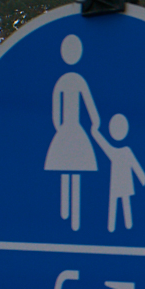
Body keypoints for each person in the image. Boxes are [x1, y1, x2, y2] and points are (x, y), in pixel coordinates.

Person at [45, 33, 101, 232]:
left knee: (73, 169)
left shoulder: (70, 80)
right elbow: (86, 106)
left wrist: (60, 127)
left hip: (68, 129)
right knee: (70, 168)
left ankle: (72, 217)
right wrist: (95, 122)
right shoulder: (73, 80)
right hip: (72, 130)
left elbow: (61, 109)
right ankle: (67, 217)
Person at [91, 113, 145, 232]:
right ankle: (112, 228)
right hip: (117, 183)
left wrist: (142, 178)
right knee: (116, 203)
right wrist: (95, 132)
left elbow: (135, 165)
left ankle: (125, 226)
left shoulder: (124, 151)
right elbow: (104, 144)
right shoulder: (119, 152)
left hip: (123, 182)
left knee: (123, 203)